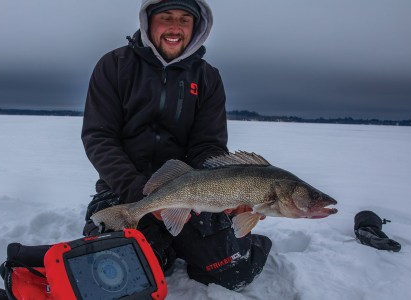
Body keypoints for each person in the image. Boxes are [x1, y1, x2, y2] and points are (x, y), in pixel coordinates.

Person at [81, 0, 271, 290]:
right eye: (166, 17)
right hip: (124, 190)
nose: (175, 27)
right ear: (148, 21)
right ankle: (161, 246)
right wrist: (139, 191)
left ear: (196, 27)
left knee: (234, 272)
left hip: (191, 193)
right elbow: (99, 137)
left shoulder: (207, 77)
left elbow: (207, 146)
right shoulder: (114, 65)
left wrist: (227, 194)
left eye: (184, 19)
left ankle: (234, 243)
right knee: (121, 277)